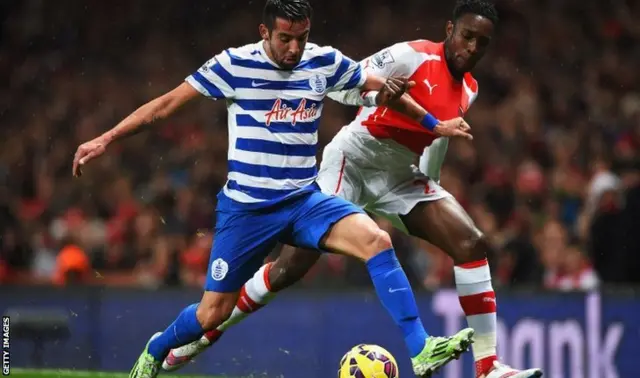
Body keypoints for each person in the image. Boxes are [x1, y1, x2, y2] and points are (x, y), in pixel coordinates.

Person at [72, 1, 478, 377]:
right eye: (285, 38)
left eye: (301, 37)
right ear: (265, 31)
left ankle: (421, 348)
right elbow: (164, 105)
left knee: (377, 240)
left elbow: (384, 88)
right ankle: (157, 348)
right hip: (246, 210)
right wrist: (105, 139)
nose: (294, 47)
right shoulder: (234, 64)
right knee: (212, 315)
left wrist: (435, 127)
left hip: (303, 202)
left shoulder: (323, 60)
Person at [163, 1, 544, 378]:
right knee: (288, 268)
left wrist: (430, 183)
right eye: (467, 36)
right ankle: (203, 334)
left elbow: (437, 136)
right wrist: (381, 96)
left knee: (470, 242)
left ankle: (488, 367)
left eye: (482, 42)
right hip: (354, 159)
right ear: (450, 30)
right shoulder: (409, 55)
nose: (472, 48)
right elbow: (345, 88)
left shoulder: (470, 88)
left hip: (399, 173)